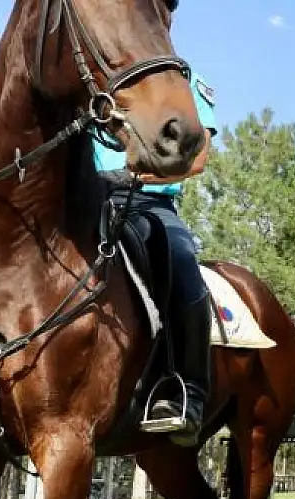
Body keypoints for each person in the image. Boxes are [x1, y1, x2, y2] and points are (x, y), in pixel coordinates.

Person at [90, 69, 217, 445]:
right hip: (79, 201)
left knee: (181, 262)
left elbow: (198, 157)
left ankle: (187, 391)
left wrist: (135, 177)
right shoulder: (88, 75)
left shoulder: (184, 82)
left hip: (145, 201)